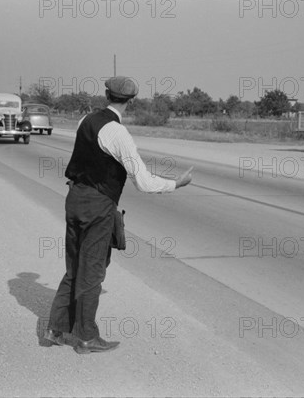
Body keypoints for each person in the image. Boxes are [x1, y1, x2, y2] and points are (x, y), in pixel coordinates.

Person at [45, 76, 193, 354]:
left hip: (74, 198)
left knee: (74, 268)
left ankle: (56, 329)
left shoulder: (85, 121)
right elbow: (145, 182)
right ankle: (87, 338)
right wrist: (177, 183)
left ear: (106, 94)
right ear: (131, 101)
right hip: (98, 205)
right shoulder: (118, 134)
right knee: (92, 273)